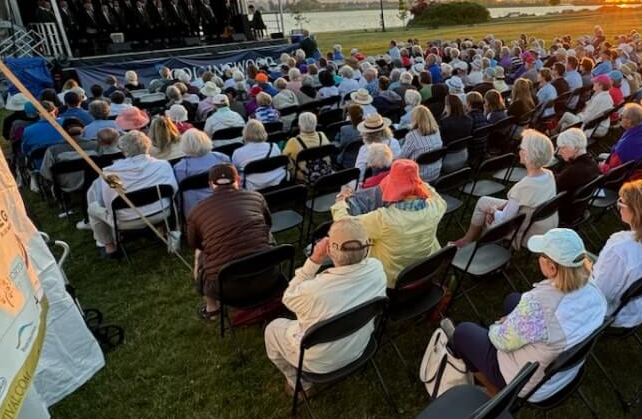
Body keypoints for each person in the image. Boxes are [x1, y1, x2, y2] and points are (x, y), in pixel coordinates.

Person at [446, 228, 607, 398]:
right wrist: (514, 319)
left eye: (541, 256)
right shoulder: (596, 293)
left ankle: (495, 391)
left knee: (463, 333)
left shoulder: (539, 304)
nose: (538, 259)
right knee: (513, 300)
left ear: (552, 268)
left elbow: (501, 341)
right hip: (562, 372)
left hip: (529, 383)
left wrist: (499, 325)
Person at [263, 216, 388, 392]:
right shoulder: (377, 269)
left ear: (329, 249)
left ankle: (299, 384)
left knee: (272, 329)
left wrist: (314, 260)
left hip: (319, 363)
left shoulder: (313, 291)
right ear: (366, 247)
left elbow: (288, 297)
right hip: (359, 347)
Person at [330, 159, 446, 286]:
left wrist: (340, 201)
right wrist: (414, 181)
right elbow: (433, 193)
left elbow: (344, 224)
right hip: (424, 269)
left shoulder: (384, 220)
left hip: (391, 278)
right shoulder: (436, 206)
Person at [185, 162, 274, 319]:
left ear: (211, 185)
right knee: (266, 233)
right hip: (269, 275)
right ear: (238, 180)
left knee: (199, 253)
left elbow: (195, 244)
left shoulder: (196, 211)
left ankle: (212, 309)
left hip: (227, 289)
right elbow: (268, 224)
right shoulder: (256, 197)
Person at [450, 129, 557, 247]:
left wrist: (494, 211)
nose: (519, 151)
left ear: (527, 155)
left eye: (521, 149)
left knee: (488, 216)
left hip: (526, 232)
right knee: (483, 201)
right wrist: (498, 208)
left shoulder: (523, 187)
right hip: (538, 224)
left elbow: (504, 219)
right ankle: (468, 240)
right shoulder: (548, 175)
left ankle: (480, 247)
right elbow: (523, 203)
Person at [591, 180, 642, 328]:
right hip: (638, 307)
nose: (619, 206)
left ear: (637, 212)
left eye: (622, 202)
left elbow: (600, 294)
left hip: (613, 311)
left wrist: (581, 274)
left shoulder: (620, 249)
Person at [84, 131, 177, 257]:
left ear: (123, 150)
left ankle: (109, 246)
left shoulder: (110, 174)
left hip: (126, 221)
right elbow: (174, 190)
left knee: (93, 207)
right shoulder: (162, 165)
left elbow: (108, 203)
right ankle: (161, 229)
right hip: (163, 212)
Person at [173, 130, 230, 219]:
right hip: (225, 204)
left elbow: (178, 196)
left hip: (198, 213)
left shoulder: (180, 168)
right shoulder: (222, 158)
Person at [553, 128, 599, 220]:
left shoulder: (572, 173)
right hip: (579, 210)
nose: (559, 152)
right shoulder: (593, 164)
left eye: (563, 147)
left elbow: (552, 192)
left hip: (563, 213)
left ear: (576, 148)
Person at [600, 103, 642, 174]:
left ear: (629, 121)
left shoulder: (625, 145)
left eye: (622, 116)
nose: (619, 118)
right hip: (635, 171)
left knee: (600, 157)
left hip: (621, 175)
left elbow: (611, 170)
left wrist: (601, 166)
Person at [232, 120, 288, 191]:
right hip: (278, 182)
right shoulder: (274, 146)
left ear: (245, 133)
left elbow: (235, 173)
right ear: (263, 131)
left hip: (252, 188)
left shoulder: (238, 153)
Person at [397, 104, 443, 182]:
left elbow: (401, 158)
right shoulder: (437, 131)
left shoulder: (412, 136)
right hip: (435, 172)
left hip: (418, 176)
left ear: (415, 119)